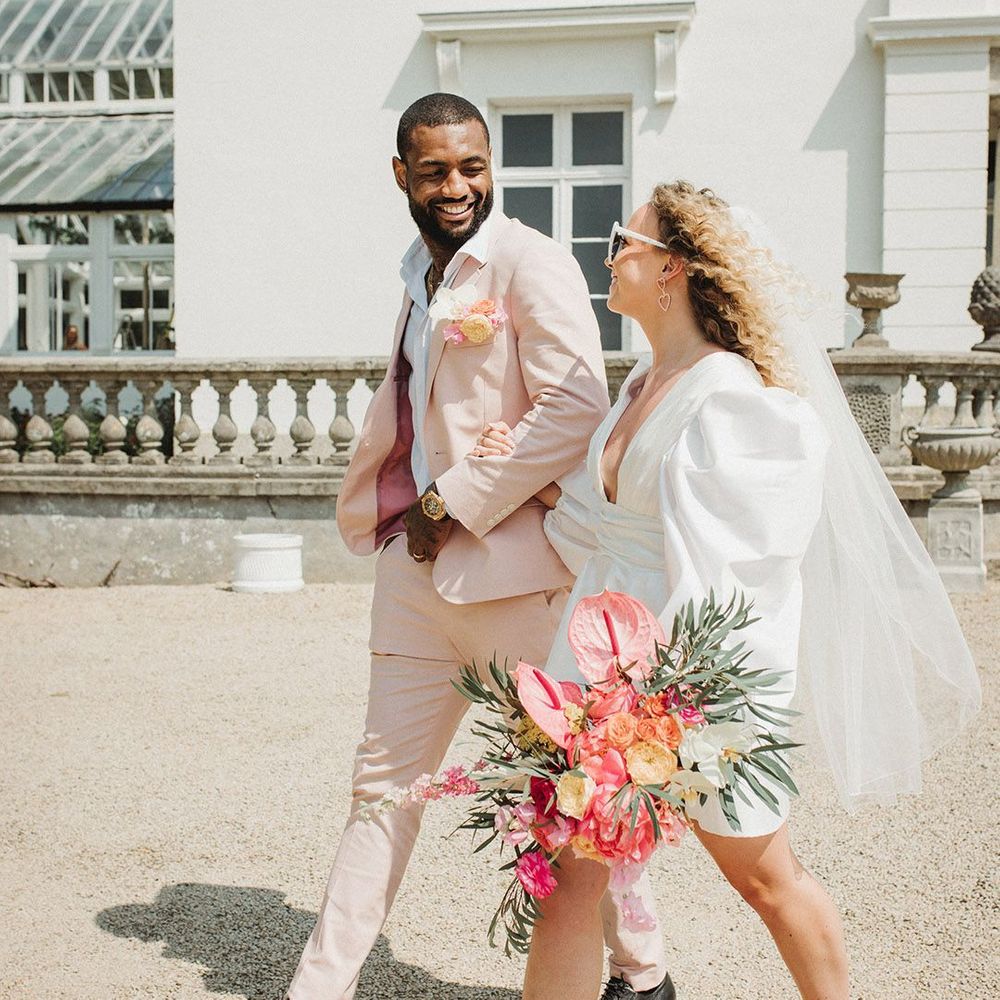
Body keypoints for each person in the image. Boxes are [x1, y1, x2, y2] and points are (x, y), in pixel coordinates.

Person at [473, 181, 981, 1000]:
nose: (608, 258)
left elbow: (739, 583)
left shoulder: (737, 404)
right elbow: (597, 531)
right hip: (594, 666)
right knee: (569, 876)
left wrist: (654, 709)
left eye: (621, 242)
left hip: (687, 686)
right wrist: (526, 476)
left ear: (673, 269)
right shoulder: (640, 382)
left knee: (764, 878)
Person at [287, 93, 673, 1000]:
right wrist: (405, 524)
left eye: (471, 166)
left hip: (518, 585)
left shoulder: (531, 263)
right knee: (378, 792)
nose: (456, 186)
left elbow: (576, 406)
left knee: (572, 791)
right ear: (402, 176)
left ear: (490, 163)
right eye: (435, 170)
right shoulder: (417, 276)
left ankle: (644, 972)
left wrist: (447, 501)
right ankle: (318, 988)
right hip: (411, 583)